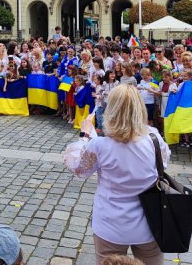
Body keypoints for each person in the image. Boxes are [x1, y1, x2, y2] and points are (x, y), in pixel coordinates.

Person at [64, 85, 169, 264]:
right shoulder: (153, 138)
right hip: (150, 221)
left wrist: (84, 135)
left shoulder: (100, 146)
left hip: (111, 222)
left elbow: (78, 168)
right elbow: (163, 164)